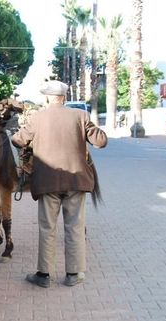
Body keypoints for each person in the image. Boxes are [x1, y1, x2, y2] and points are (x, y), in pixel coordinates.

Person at [11, 80, 107, 288]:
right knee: (75, 226)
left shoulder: (37, 117)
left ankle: (43, 275)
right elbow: (100, 141)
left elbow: (18, 141)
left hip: (47, 181)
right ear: (64, 98)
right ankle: (73, 274)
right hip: (76, 181)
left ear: (47, 98)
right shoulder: (80, 116)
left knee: (47, 227)